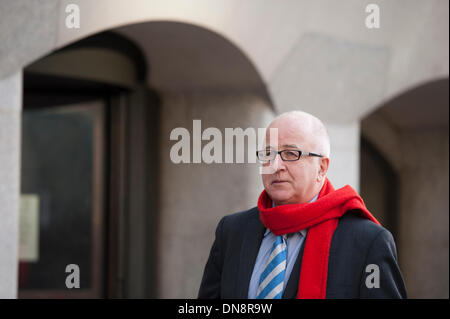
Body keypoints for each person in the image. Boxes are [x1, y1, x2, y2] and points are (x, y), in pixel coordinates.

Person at [198, 111, 407, 299]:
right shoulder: (232, 231)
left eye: (291, 154)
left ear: (322, 167)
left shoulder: (367, 241)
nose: (276, 166)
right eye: (268, 154)